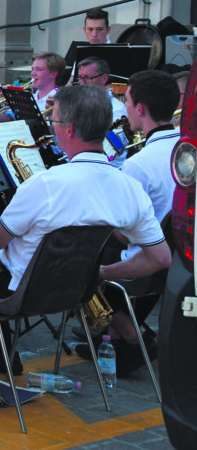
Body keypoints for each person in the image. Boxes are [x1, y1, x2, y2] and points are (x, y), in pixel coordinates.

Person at [0, 85, 170, 373]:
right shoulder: (129, 187)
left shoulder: (45, 183)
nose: (52, 128)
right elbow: (160, 258)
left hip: (16, 289)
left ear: (69, 130)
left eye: (54, 122)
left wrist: (9, 221)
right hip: (75, 291)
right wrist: (104, 274)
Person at [73, 70, 182, 370]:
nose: (126, 107)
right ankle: (115, 337)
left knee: (74, 249)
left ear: (140, 109)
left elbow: (120, 234)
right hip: (181, 261)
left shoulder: (139, 164)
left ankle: (130, 334)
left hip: (147, 264)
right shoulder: (187, 150)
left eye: (128, 100)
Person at [77, 56, 127, 121]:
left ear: (104, 78)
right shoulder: (74, 103)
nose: (82, 83)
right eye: (80, 78)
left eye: (87, 78)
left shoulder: (117, 109)